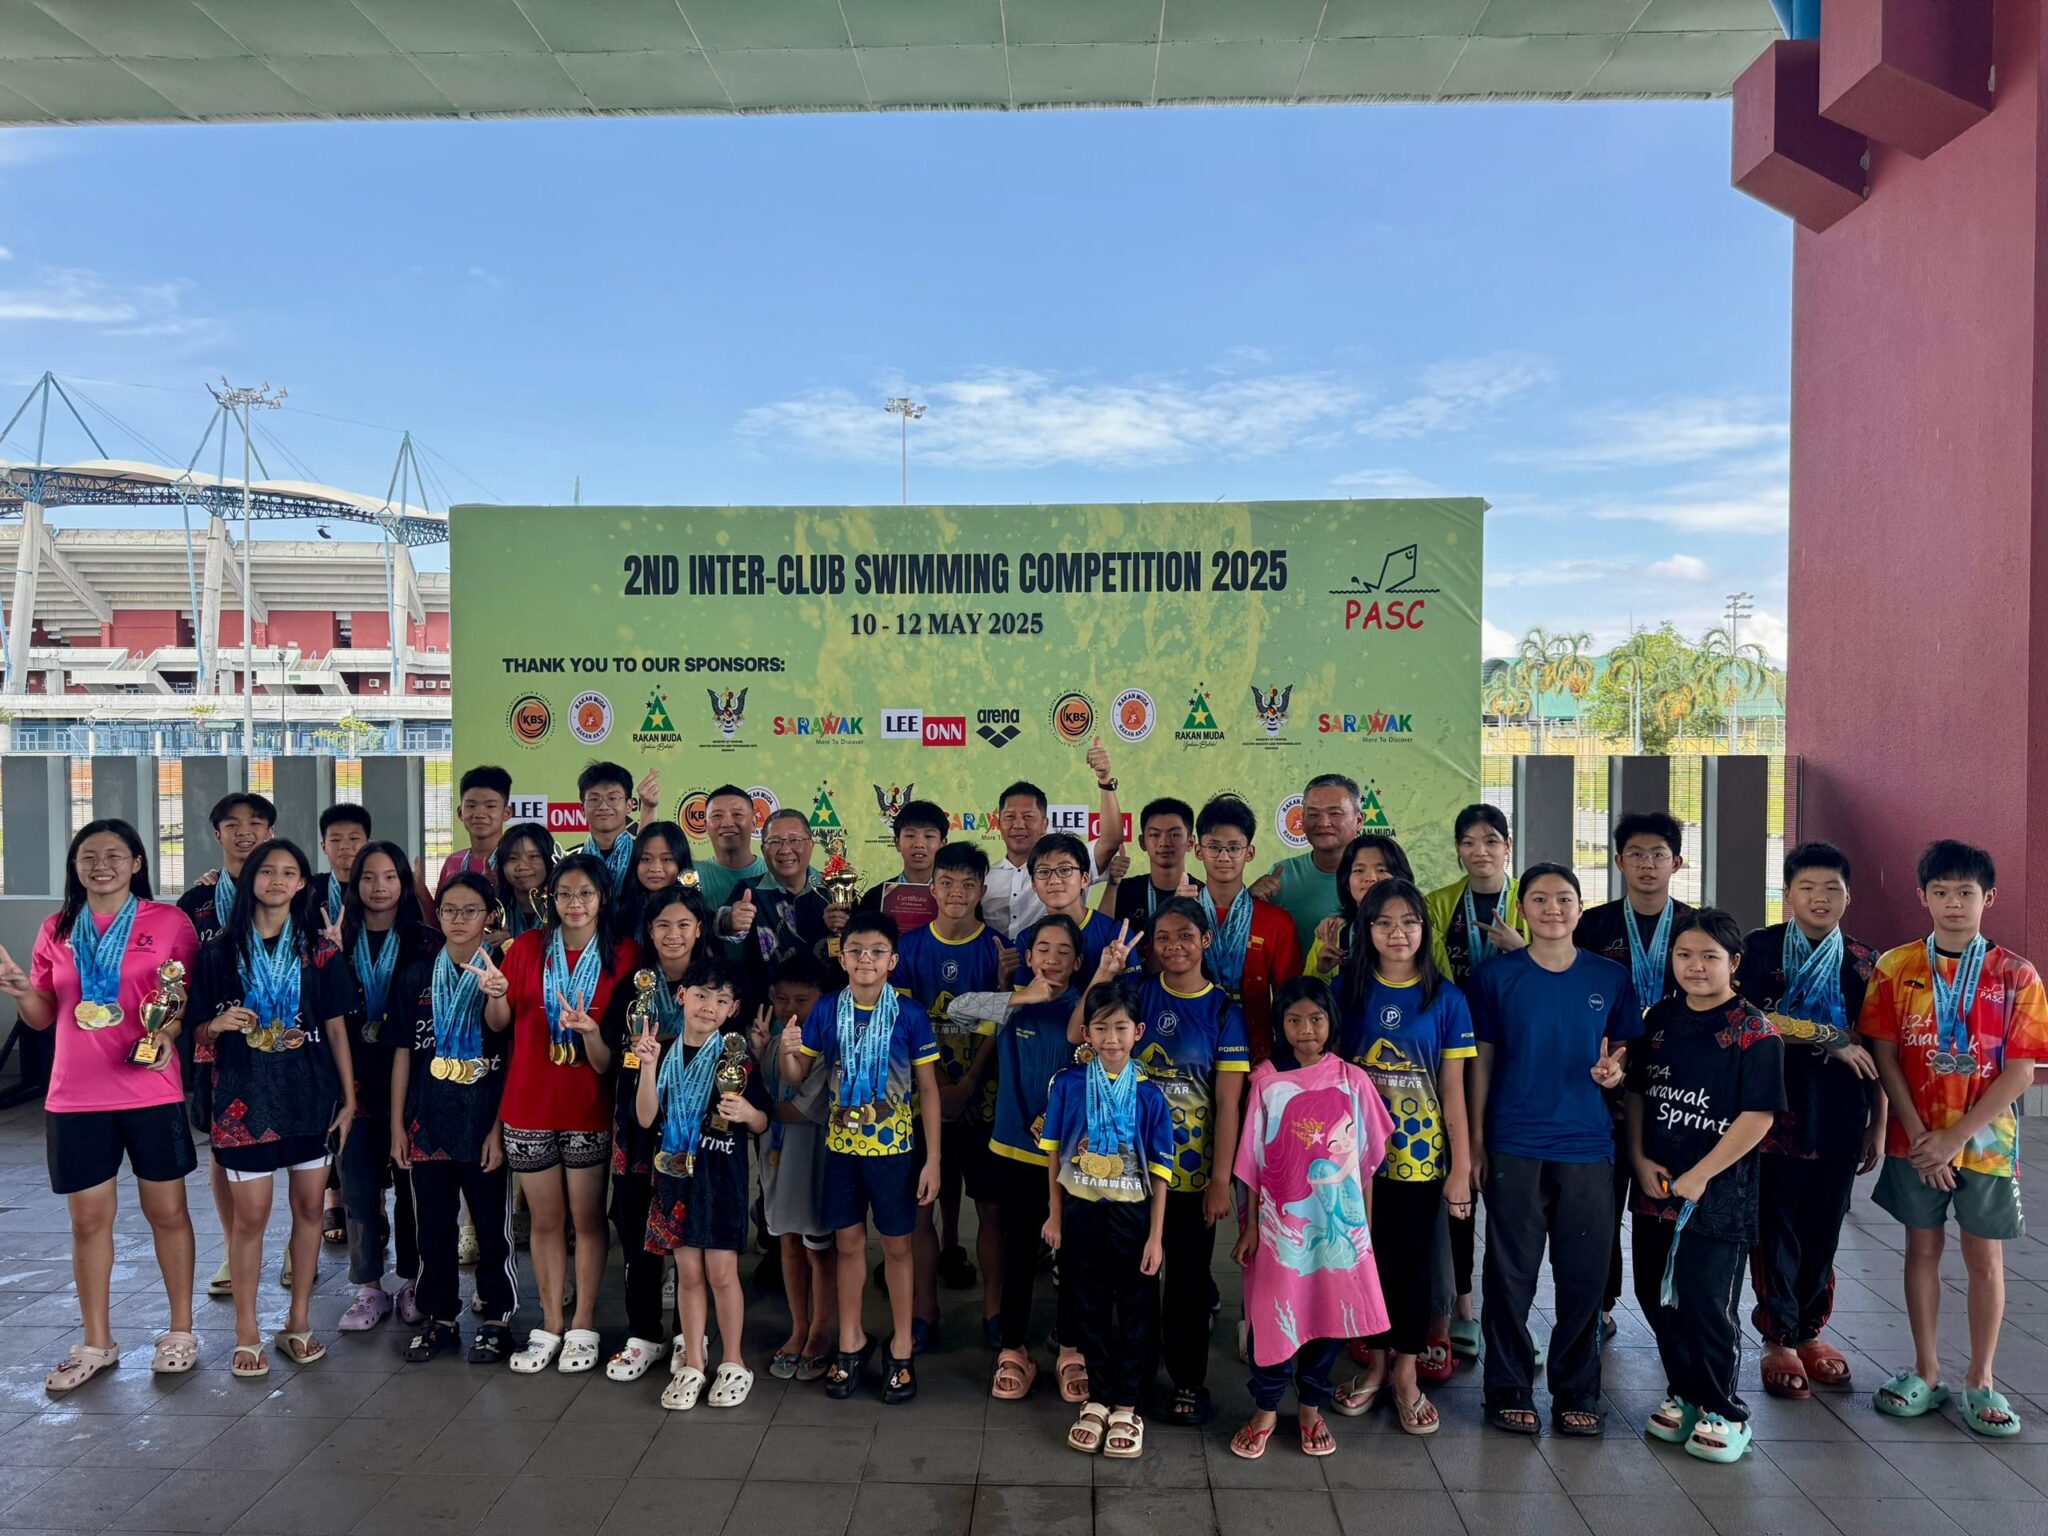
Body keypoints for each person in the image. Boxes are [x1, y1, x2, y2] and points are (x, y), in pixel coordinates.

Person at [0, 820, 201, 1389]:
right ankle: (96, 1341)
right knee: (88, 1221)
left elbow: (181, 999)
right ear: (76, 865)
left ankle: (180, 1331)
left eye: (114, 854)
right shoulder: (58, 927)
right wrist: (22, 990)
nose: (101, 865)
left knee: (167, 1212)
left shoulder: (168, 922)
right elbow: (44, 1016)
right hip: (75, 1095)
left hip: (149, 1089)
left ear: (137, 863)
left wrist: (169, 1034)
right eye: (88, 856)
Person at [1862, 839, 2048, 1438]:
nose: (1953, 903)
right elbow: (1884, 1055)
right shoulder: (1895, 967)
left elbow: (2021, 1071)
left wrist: (1954, 1138)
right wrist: (1922, 1137)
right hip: (1914, 1139)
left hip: (1986, 1143)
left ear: (1988, 898)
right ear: (1922, 897)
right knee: (1921, 1248)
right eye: (1940, 892)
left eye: (1965, 893)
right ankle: (1926, 1369)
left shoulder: (2016, 974)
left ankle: (1981, 1378)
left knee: (1984, 1258)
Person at [1467, 863, 1640, 1435]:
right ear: (1521, 909)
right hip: (1515, 1142)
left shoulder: (1609, 977)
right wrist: (1477, 1142)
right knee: (1509, 1273)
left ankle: (1577, 1389)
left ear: (1580, 908)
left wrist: (1616, 1071)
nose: (1552, 909)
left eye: (1564, 898)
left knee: (1584, 1275)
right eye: (1539, 899)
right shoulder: (1496, 978)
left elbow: (1623, 1050)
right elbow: (1481, 1062)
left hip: (1587, 1145)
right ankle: (1507, 1386)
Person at [188, 837, 358, 1377]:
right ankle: (246, 1331)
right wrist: (215, 1025)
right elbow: (193, 1030)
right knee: (251, 1218)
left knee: (309, 1210)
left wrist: (350, 1098)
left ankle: (298, 1321)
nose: (277, 880)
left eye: (289, 872)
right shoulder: (218, 953)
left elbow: (336, 1028)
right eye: (267, 871)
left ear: (302, 883)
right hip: (243, 1104)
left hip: (311, 1098)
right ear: (250, 880)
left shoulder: (320, 952)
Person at [1627, 908, 1785, 1461]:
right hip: (1655, 1188)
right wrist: (1638, 1159)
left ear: (1734, 962)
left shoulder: (1754, 1031)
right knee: (1655, 1294)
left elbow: (1758, 1116)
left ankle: (1724, 1411)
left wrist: (1701, 1174)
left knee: (1707, 1303)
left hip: (1717, 1197)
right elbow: (1638, 1093)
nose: (1695, 966)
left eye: (1709, 956)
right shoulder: (1660, 1020)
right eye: (1684, 955)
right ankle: (1684, 1393)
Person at [484, 853, 640, 1375]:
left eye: (586, 894)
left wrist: (591, 1033)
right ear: (550, 899)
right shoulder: (527, 948)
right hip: (528, 1104)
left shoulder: (624, 955)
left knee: (588, 1220)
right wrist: (496, 994)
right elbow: (500, 1023)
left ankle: (583, 1324)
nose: (575, 904)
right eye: (565, 894)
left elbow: (612, 1059)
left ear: (602, 899)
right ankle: (551, 1323)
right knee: (547, 1222)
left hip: (589, 1106)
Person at [1738, 841, 1883, 1399]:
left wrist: (1878, 1124)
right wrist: (1828, 1037)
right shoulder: (1759, 948)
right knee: (1775, 1228)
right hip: (1772, 1112)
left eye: (1831, 889)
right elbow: (1747, 1016)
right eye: (1807, 887)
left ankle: (1810, 1331)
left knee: (1825, 1226)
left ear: (1849, 896)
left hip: (1841, 1113)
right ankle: (1778, 1337)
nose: (1820, 898)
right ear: (1788, 894)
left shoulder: (1866, 961)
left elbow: (1879, 1047)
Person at [779, 910, 942, 1405]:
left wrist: (934, 1160)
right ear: (842, 957)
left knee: (897, 1247)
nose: (865, 959)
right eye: (856, 951)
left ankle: (901, 1345)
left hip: (895, 1151)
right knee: (848, 1246)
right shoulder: (828, 1010)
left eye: (876, 951)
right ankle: (850, 1341)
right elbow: (796, 1076)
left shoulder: (910, 1014)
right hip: (842, 1149)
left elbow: (929, 1090)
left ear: (893, 960)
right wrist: (787, 1051)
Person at [1331, 878, 1473, 1433]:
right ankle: (1375, 1366)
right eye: (1384, 922)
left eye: (1410, 922)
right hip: (1353, 1157)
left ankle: (1407, 1374)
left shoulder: (1446, 999)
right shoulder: (1347, 990)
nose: (1398, 933)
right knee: (1367, 1261)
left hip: (1418, 1157)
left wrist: (1460, 1167)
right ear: (1366, 929)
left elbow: (1454, 1089)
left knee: (1413, 1268)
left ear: (1424, 929)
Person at [1231, 976, 1392, 1460]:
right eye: (1294, 1019)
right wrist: (1252, 1227)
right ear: (1280, 1024)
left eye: (1316, 1018)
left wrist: (1364, 1228)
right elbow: (1253, 1162)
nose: (1306, 1029)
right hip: (1281, 1230)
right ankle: (1265, 1406)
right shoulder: (1266, 1082)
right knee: (1272, 1314)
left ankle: (1311, 1407)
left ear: (1331, 1022)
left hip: (1339, 1227)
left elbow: (1365, 1163)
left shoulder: (1353, 1081)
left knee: (1328, 1313)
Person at [1106, 897, 1250, 1426]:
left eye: (1185, 935)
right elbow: (1089, 1040)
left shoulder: (1224, 1011)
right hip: (1129, 1170)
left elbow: (1229, 1103)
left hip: (1191, 1174)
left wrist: (1220, 1181)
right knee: (1133, 1277)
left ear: (1206, 940)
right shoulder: (1136, 994)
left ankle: (1188, 1380)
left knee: (1188, 1281)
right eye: (1162, 937)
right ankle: (1136, 1375)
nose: (1173, 947)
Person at [955, 917, 1087, 1405]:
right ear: (1028, 957)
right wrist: (1021, 996)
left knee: (1073, 1255)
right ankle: (1014, 1348)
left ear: (1078, 961)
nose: (1052, 958)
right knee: (1017, 1254)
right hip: (1014, 1149)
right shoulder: (1011, 1003)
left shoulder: (1085, 1007)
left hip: (1073, 1158)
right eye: (1042, 949)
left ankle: (1071, 1348)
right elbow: (959, 1010)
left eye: (1064, 951)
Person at [1042, 980, 1172, 1461]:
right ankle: (1097, 1398)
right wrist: (1055, 1216)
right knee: (1088, 1307)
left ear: (1138, 1031)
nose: (1111, 1038)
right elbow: (1053, 1155)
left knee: (1137, 1311)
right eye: (1101, 1028)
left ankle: (1128, 1404)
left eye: (1121, 1028)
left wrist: (1156, 1236)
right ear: (1086, 1034)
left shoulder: (1151, 1096)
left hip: (1132, 1214)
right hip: (1081, 1211)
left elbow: (1160, 1173)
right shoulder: (1068, 1085)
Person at [635, 952, 771, 1409]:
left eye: (721, 999)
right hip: (673, 1180)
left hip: (720, 1180)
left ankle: (734, 1360)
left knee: (722, 1274)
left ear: (734, 1008)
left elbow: (763, 1121)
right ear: (681, 996)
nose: (709, 1006)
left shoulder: (737, 1059)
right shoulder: (663, 1051)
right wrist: (648, 1066)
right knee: (688, 1274)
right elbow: (645, 1117)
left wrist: (748, 1112)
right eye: (701, 995)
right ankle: (693, 1361)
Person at [391, 872, 516, 1364]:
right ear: (437, 914)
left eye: (471, 911)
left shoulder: (500, 970)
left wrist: (498, 1129)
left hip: (482, 1121)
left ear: (489, 917)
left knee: (491, 1227)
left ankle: (497, 1317)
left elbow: (507, 1042)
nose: (459, 919)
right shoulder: (416, 974)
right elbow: (404, 1053)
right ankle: (440, 1316)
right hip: (427, 1123)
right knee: (433, 1228)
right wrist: (398, 1126)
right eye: (449, 910)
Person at [1577, 810, 1693, 1333]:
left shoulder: (1694, 927)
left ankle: (1670, 1311)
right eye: (1637, 855)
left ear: (1677, 863)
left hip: (1674, 1090)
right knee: (1598, 1207)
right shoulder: (1592, 925)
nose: (1648, 865)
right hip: (1602, 1084)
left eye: (1659, 855)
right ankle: (1599, 1306)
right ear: (1619, 862)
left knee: (1661, 1207)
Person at [1424, 805, 1528, 1369]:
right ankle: (1462, 1304)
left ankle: (1513, 1315)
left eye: (1490, 840)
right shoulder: (1439, 904)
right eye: (1468, 842)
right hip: (1456, 1055)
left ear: (1507, 846)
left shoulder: (1532, 901)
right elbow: (1434, 977)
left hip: (1517, 1060)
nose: (1479, 851)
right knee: (1458, 1183)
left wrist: (1519, 952)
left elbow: (1552, 968)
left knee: (1512, 1192)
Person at [895, 841, 1010, 1347]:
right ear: (933, 888)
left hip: (983, 1101)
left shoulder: (1000, 949)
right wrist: (941, 1085)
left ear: (982, 890)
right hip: (922, 1102)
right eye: (947, 883)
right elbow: (905, 1022)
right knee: (920, 1209)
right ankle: (924, 1313)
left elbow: (1000, 1021)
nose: (957, 893)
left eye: (968, 884)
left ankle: (994, 1313)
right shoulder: (908, 949)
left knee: (992, 1209)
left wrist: (966, 1085)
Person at [599, 884, 711, 1383]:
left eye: (683, 924)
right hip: (638, 1125)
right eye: (663, 924)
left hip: (694, 1128)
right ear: (649, 930)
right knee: (636, 1226)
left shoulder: (714, 985)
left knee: (694, 1230)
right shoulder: (633, 986)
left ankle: (692, 1334)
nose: (673, 934)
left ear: (699, 929)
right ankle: (643, 1332)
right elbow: (610, 1051)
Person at [177, 789, 275, 1301]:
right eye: (232, 824)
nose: (244, 832)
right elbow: (178, 978)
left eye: (255, 822)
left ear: (270, 832)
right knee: (225, 1146)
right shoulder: (195, 903)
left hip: (288, 1042)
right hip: (219, 1044)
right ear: (217, 834)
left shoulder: (291, 891)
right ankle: (235, 1248)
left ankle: (290, 1245)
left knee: (295, 1146)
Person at [334, 841, 429, 1334]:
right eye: (368, 878)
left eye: (390, 877)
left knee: (413, 1188)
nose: (379, 887)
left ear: (404, 883)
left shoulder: (426, 942)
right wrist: (330, 955)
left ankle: (412, 1279)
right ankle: (369, 1286)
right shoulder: (336, 940)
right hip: (350, 1083)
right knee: (358, 1187)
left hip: (412, 1083)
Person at [757, 953, 836, 1382]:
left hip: (812, 1159)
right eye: (782, 999)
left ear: (822, 1000)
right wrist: (756, 1056)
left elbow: (805, 1112)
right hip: (775, 1157)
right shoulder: (771, 1041)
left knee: (818, 1248)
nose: (790, 1009)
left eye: (802, 1001)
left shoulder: (825, 1044)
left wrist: (753, 1112)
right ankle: (799, 1326)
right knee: (787, 1242)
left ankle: (821, 1329)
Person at [1191, 793, 1302, 1061]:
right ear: (1198, 850)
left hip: (1257, 1054)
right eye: (1214, 847)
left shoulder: (1277, 922)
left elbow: (1290, 999)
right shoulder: (1183, 917)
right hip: (1191, 1051)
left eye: (1234, 848)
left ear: (1249, 853)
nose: (1224, 857)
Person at [983, 748, 1125, 940]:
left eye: (1028, 817)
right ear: (998, 824)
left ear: (1045, 824)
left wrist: (1105, 781)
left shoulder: (1071, 861)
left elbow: (1111, 841)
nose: (1019, 825)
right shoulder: (984, 877)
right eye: (1009, 817)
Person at [741, 810, 841, 1006]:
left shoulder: (837, 889)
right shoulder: (749, 891)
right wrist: (731, 922)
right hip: (769, 1012)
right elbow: (723, 926)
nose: (785, 850)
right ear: (763, 849)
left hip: (830, 1009)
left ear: (811, 845)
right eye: (775, 842)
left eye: (794, 840)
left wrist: (847, 929)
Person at [1251, 773, 1365, 941]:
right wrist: (1248, 903)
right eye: (1313, 814)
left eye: (1335, 813)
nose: (1324, 823)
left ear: (1359, 821)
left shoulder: (1377, 877)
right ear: (1303, 822)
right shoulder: (1283, 874)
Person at [1016, 833, 1126, 984]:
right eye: (1043, 872)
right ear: (1034, 885)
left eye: (1065, 870)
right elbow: (1024, 998)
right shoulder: (1025, 938)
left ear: (1084, 879)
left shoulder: (1115, 934)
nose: (1054, 880)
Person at [1305, 835, 1414, 981]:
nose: (1370, 878)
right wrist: (1321, 971)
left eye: (1381, 870)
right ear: (1346, 882)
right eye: (1359, 870)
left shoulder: (1420, 935)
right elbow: (1307, 992)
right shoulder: (1329, 935)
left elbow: (1439, 990)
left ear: (1401, 879)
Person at [422, 765, 514, 911]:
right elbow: (440, 918)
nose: (479, 814)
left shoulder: (514, 862)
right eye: (471, 806)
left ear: (507, 812)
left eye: (490, 806)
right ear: (460, 812)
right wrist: (420, 889)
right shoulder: (452, 863)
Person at [854, 798, 948, 933]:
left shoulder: (955, 898)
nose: (919, 844)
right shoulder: (875, 898)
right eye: (910, 835)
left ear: (943, 844)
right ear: (897, 843)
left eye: (929, 836)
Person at [1110, 797, 1201, 931]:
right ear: (1142, 842)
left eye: (1174, 834)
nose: (1164, 843)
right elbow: (1100, 937)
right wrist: (1111, 886)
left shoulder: (1202, 895)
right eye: (1154, 835)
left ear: (1190, 843)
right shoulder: (1124, 890)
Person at [573, 761, 660, 895]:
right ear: (582, 809)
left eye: (612, 798)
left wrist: (649, 807)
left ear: (629, 806)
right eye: (594, 799)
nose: (603, 807)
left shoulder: (642, 858)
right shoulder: (571, 860)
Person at [608, 820, 695, 946]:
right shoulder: (620, 911)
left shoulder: (696, 910)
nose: (655, 868)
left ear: (681, 862)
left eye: (667, 859)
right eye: (646, 859)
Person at [700, 784, 769, 919]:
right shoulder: (691, 874)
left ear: (754, 822)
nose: (727, 823)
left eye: (737, 814)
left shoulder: (775, 873)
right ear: (705, 825)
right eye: (717, 815)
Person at [491, 822, 557, 947]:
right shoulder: (492, 912)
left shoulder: (564, 909)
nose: (522, 866)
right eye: (512, 858)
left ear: (549, 859)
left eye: (533, 856)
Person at [311, 804, 371, 929]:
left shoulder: (380, 888)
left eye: (354, 838)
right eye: (335, 840)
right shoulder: (310, 889)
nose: (344, 846)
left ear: (368, 844)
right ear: (324, 847)